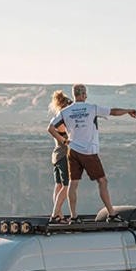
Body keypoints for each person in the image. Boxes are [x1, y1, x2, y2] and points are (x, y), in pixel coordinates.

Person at [47, 83, 136, 223]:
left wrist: (64, 142)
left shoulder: (65, 111)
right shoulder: (91, 108)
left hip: (72, 150)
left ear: (74, 95)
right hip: (88, 150)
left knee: (72, 183)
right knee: (102, 181)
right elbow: (113, 111)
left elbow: (51, 128)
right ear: (84, 95)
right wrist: (127, 110)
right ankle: (112, 214)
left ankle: (74, 216)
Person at [47, 90, 74, 223]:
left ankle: (59, 215)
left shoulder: (56, 118)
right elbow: (61, 132)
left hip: (56, 155)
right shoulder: (62, 121)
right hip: (63, 155)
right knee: (67, 186)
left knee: (58, 186)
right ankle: (55, 215)